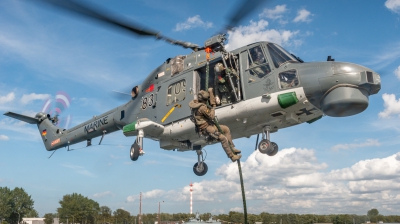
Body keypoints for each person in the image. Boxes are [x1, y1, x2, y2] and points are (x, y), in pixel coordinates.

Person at [188, 88, 242, 162]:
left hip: (208, 126)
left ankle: (232, 147)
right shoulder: (202, 108)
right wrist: (213, 108)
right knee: (223, 138)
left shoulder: (195, 104)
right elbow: (211, 116)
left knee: (226, 129)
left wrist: (210, 93)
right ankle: (232, 156)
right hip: (207, 129)